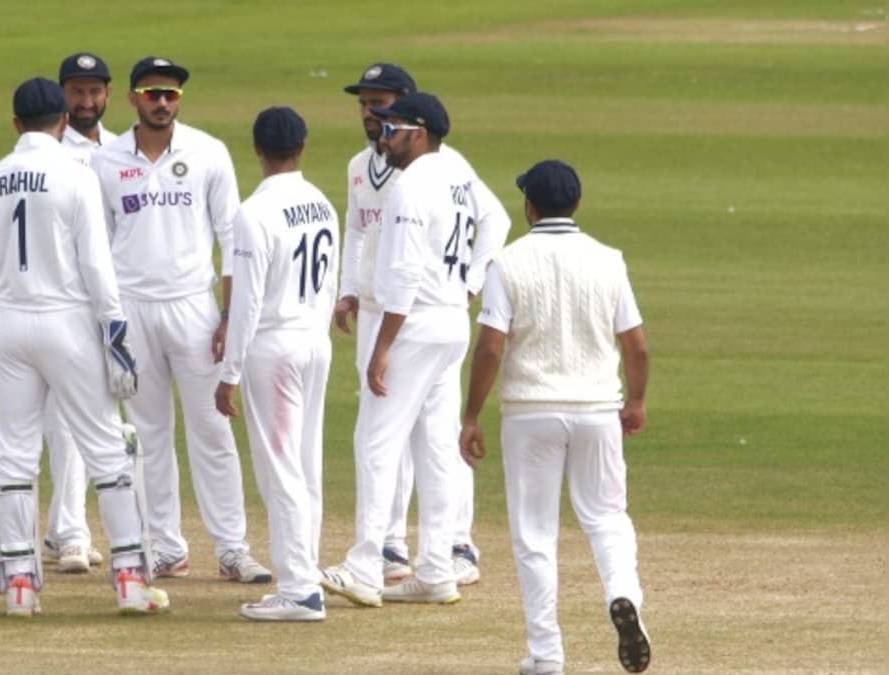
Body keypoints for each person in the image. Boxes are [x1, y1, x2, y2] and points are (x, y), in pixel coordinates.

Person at [0, 76, 167, 617]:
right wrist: (116, 337)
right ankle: (130, 580)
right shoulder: (75, 174)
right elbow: (98, 271)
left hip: (12, 323)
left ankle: (18, 586)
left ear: (16, 124)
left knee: (12, 454)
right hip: (68, 324)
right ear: (62, 121)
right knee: (109, 447)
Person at [459, 160, 651, 675]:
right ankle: (625, 596)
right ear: (578, 205)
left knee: (535, 535)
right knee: (607, 518)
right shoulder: (608, 260)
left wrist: (471, 414)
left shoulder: (507, 262)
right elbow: (636, 346)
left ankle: (546, 656)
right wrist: (634, 403)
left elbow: (491, 347)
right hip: (596, 409)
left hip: (530, 412)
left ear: (529, 207)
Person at [92, 56, 270, 583]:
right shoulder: (105, 161)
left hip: (194, 306)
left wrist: (230, 316)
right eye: (152, 93)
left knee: (212, 429)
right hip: (131, 309)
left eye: (170, 93)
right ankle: (165, 547)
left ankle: (232, 547)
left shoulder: (208, 152)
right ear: (133, 99)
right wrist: (108, 320)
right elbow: (96, 250)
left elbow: (233, 239)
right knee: (148, 436)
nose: (163, 102)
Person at [321, 93, 497, 607]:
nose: (382, 135)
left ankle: (364, 567)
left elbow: (402, 275)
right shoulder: (454, 174)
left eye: (392, 128)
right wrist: (469, 284)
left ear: (419, 133)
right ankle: (438, 569)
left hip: (415, 322)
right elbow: (494, 224)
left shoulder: (409, 186)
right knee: (437, 447)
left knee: (376, 440)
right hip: (449, 322)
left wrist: (382, 347)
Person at [215, 107, 337, 621]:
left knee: (280, 468)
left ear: (256, 149)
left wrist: (229, 373)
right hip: (314, 340)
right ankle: (304, 575)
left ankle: (300, 589)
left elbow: (245, 301)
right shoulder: (323, 203)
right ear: (302, 147)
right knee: (304, 465)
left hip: (275, 348)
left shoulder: (254, 212)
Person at [31, 50, 124, 574]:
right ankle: (69, 532)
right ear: (63, 97)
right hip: (63, 300)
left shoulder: (120, 150)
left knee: (105, 420)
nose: (86, 101)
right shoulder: (46, 152)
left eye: (94, 91)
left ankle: (67, 528)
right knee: (64, 421)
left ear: (108, 94)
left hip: (110, 298)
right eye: (76, 91)